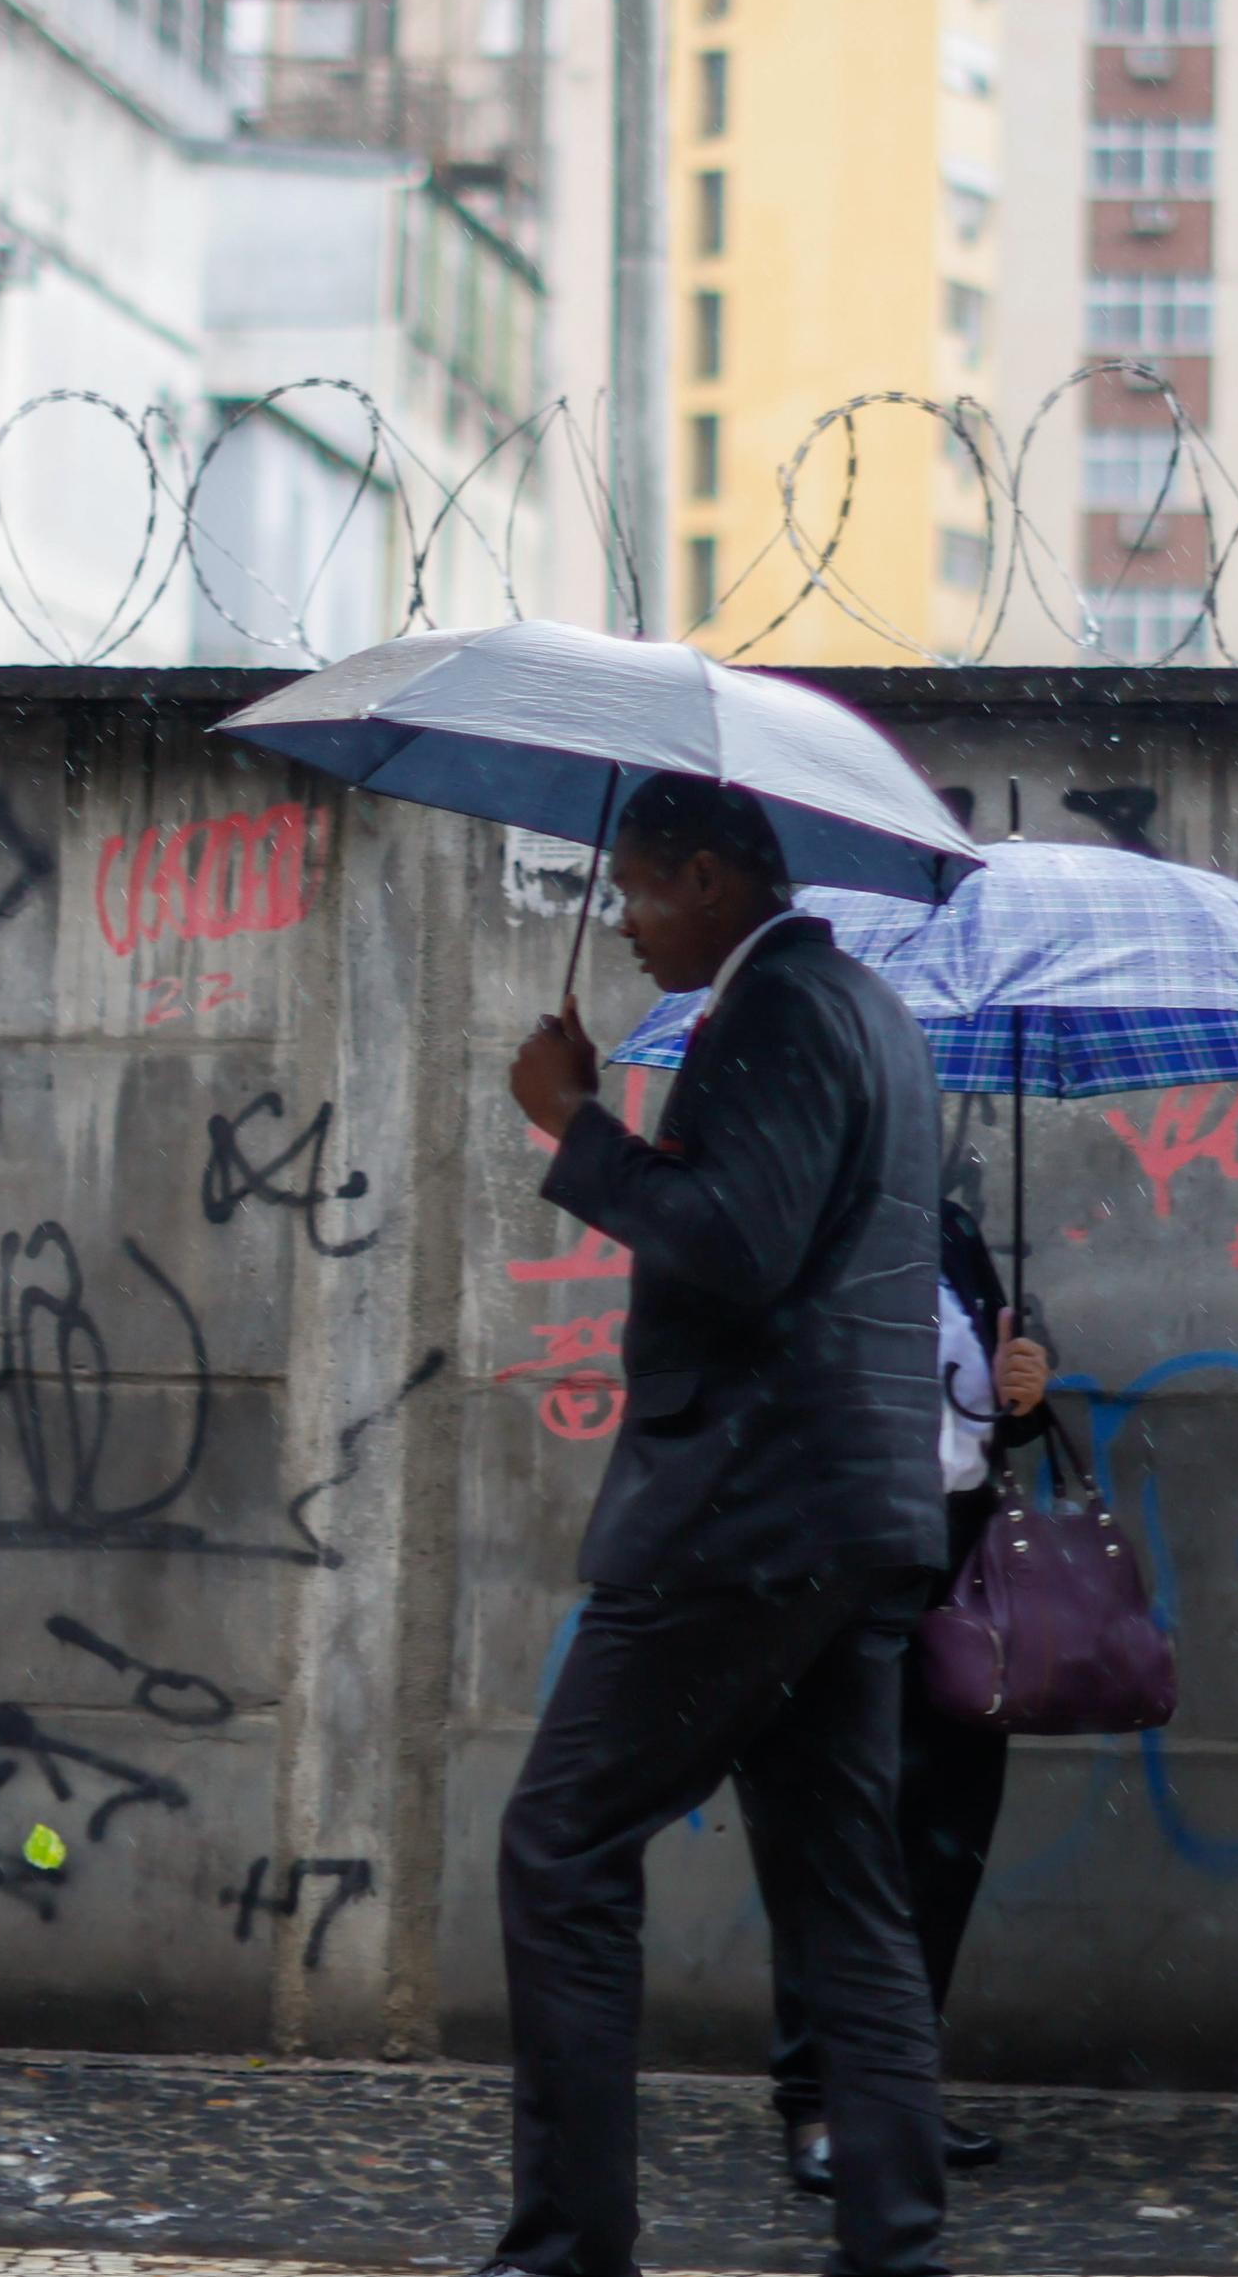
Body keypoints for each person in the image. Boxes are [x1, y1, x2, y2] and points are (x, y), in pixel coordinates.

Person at [489, 772, 953, 2277]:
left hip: (743, 1513)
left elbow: (734, 1246)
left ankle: (571, 2248)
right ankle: (894, 2245)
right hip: (848, 1514)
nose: (621, 926)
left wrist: (574, 1123)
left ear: (707, 875)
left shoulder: (776, 1013)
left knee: (562, 1841)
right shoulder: (867, 1008)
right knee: (844, 1890)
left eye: (634, 889)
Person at [766, 1191, 1053, 2198]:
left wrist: (1026, 1388)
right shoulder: (802, 1221)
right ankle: (813, 2097)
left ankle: (893, 2092)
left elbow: (987, 1425)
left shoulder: (951, 1231)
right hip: (839, 1564)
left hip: (958, 1565)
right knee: (839, 1838)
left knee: (946, 1835)